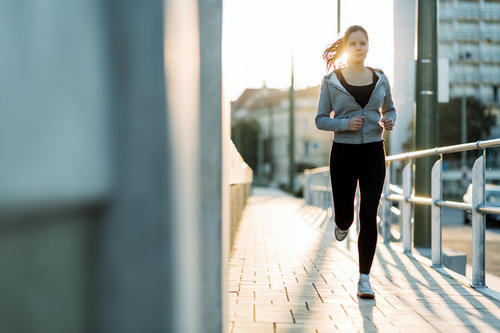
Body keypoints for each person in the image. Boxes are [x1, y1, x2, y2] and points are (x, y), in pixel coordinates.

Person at [315, 25, 397, 299]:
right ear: (347, 46)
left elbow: (391, 109)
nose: (360, 47)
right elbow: (320, 119)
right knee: (346, 216)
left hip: (374, 151)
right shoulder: (331, 80)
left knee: (368, 214)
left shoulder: (381, 78)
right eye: (355, 43)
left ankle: (364, 279)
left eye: (364, 42)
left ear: (369, 46)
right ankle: (341, 223)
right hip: (343, 153)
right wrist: (345, 123)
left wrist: (390, 121)